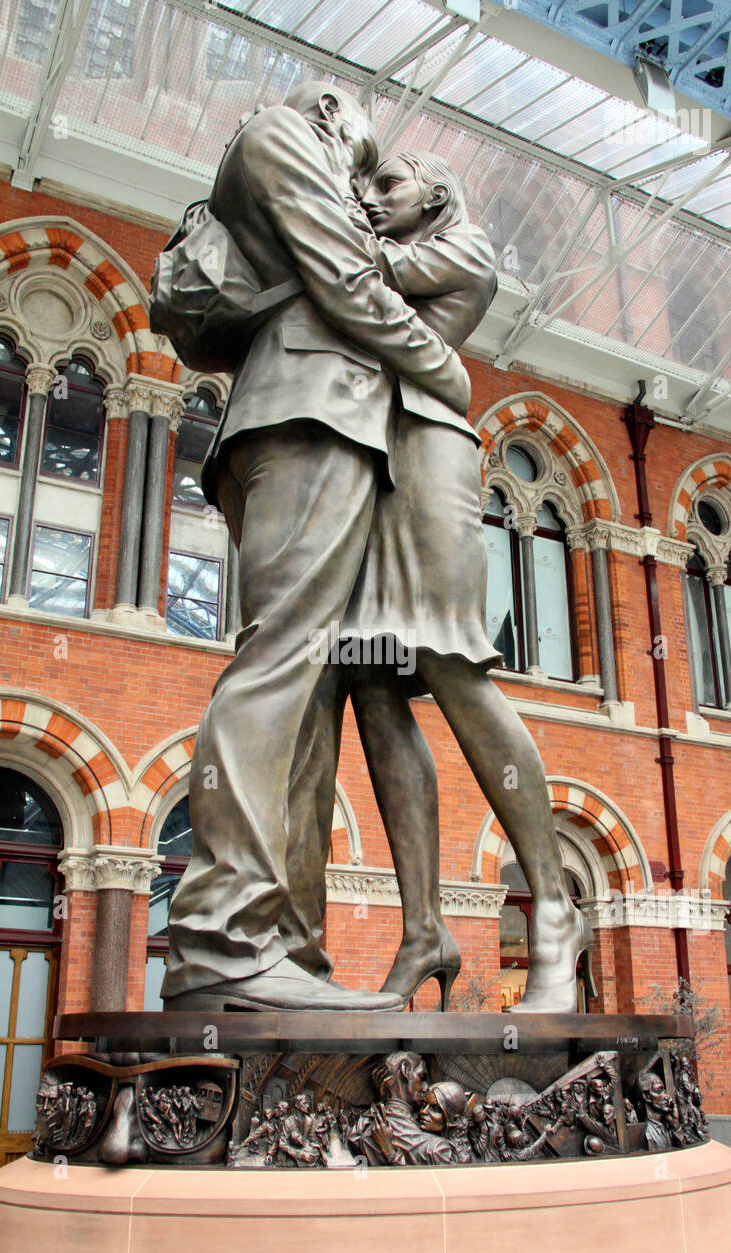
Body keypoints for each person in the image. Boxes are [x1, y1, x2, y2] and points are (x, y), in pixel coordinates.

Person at [160, 85, 471, 1012]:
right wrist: (444, 369)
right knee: (280, 665)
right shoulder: (283, 137)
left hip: (314, 420)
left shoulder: (291, 156)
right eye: (364, 162)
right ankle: (223, 931)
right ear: (335, 116)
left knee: (304, 689)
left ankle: (281, 948)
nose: (366, 187)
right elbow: (346, 281)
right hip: (308, 412)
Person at [281, 153, 594, 1012]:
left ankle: (555, 912)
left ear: (439, 195)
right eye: (366, 189)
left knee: (453, 665)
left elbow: (355, 271)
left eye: (389, 187)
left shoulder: (465, 248)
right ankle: (423, 927)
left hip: (428, 462)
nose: (371, 200)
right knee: (373, 684)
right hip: (368, 466)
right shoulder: (396, 242)